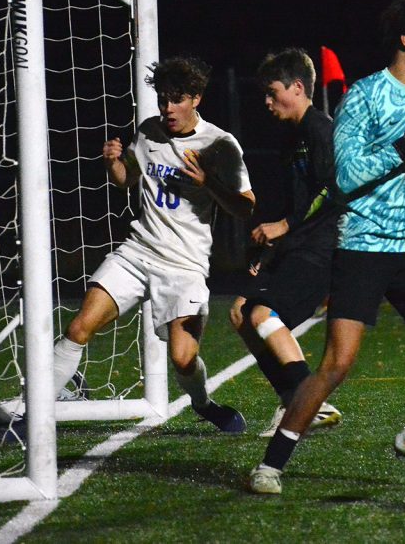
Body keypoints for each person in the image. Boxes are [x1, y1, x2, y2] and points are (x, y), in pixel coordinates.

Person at [247, 0, 405, 494]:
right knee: (336, 364)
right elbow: (343, 177)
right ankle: (270, 465)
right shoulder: (364, 95)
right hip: (362, 245)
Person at [51, 56, 255, 433]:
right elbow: (125, 179)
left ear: (196, 98)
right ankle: (35, 410)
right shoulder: (148, 131)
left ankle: (204, 404)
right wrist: (113, 162)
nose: (167, 108)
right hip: (138, 252)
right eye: (163, 99)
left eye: (176, 99)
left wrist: (208, 181)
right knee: (80, 327)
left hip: (184, 266)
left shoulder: (220, 144)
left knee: (182, 359)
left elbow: (246, 207)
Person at [228, 49, 342, 437]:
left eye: (272, 91)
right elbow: (295, 201)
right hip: (297, 246)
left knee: (262, 315)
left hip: (321, 248)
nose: (267, 101)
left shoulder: (320, 129)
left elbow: (333, 190)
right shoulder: (291, 139)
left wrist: (285, 225)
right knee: (242, 314)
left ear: (297, 87)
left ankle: (310, 402)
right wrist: (271, 245)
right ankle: (293, 399)